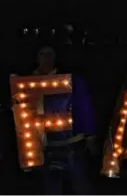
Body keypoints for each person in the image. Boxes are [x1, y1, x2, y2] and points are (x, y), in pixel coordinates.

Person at [28, 45, 98, 194]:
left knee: (80, 186)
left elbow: (84, 106)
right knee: (52, 187)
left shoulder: (71, 82)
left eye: (49, 55)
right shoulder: (28, 85)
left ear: (55, 58)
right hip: (46, 146)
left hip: (72, 143)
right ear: (37, 58)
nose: (46, 59)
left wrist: (90, 135)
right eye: (42, 54)